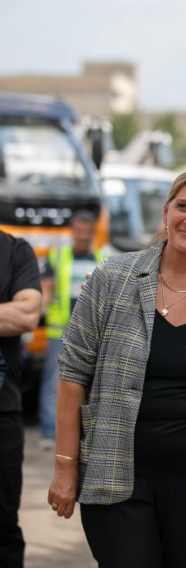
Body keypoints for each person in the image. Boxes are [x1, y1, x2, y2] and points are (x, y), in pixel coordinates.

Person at [47, 169, 186, 568]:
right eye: (183, 206)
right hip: (116, 475)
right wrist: (65, 467)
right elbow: (72, 376)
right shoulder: (112, 279)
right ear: (166, 212)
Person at [38, 210, 105, 445]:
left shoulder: (102, 259)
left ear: (93, 233)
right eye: (80, 231)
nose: (83, 236)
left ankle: (82, 433)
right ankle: (49, 431)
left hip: (89, 334)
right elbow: (46, 290)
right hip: (60, 331)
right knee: (53, 382)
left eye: (88, 232)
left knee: (88, 384)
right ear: (72, 232)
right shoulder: (57, 257)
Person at [0, 230, 43, 567]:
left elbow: (27, 315)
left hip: (3, 411)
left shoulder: (15, 251)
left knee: (3, 526)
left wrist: (15, 315)